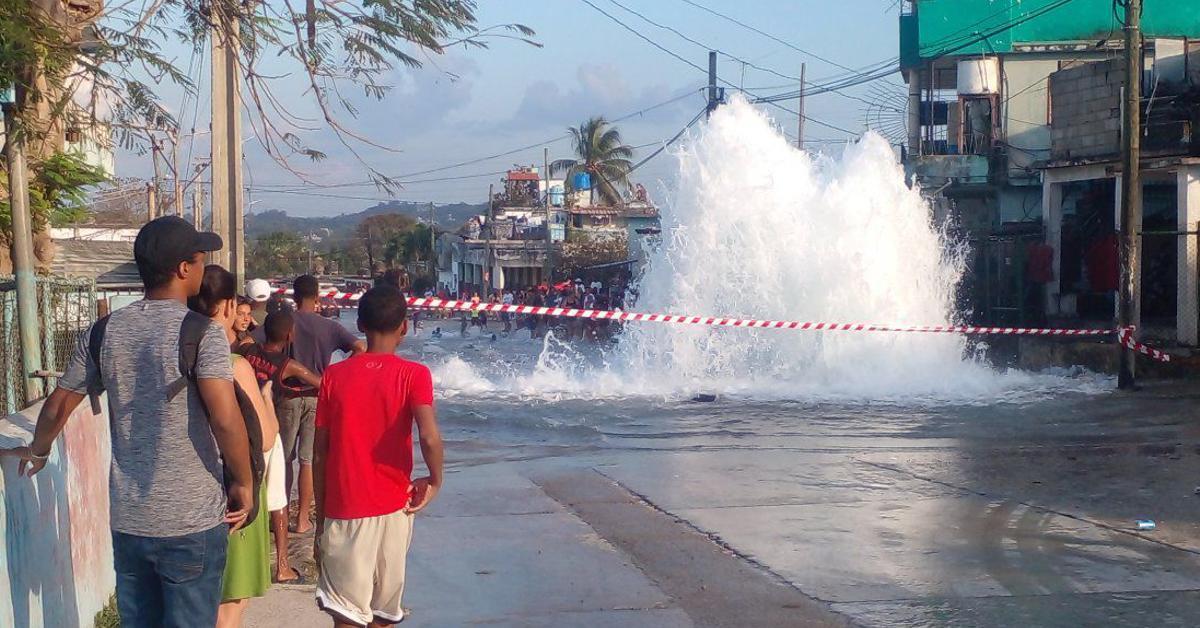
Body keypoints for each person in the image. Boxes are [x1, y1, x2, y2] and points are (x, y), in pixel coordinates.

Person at [11, 216, 252, 627]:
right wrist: (244, 482)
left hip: (131, 523)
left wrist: (38, 449)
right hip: (190, 523)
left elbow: (58, 404)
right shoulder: (201, 333)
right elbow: (226, 420)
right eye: (198, 258)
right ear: (183, 269)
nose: (201, 266)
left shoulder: (103, 332)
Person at [313, 285, 443, 628]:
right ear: (404, 327)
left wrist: (321, 518)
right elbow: (429, 437)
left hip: (345, 508)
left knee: (346, 615)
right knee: (383, 616)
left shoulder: (335, 377)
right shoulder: (414, 375)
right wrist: (435, 480)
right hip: (395, 507)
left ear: (360, 324)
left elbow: (319, 451)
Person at [189, 265, 278, 628]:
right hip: (236, 492)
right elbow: (267, 437)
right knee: (229, 606)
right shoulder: (235, 365)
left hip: (191, 492)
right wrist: (267, 395)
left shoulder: (182, 357)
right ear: (227, 307)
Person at [237, 310, 323, 583]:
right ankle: (282, 565)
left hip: (241, 430)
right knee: (278, 500)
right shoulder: (289, 366)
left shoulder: (246, 351)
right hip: (268, 430)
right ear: (289, 336)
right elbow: (321, 383)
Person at [279, 274, 365, 534]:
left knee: (284, 460)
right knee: (307, 460)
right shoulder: (328, 327)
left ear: (294, 298)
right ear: (317, 297)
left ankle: (280, 517)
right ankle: (303, 519)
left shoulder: (286, 322)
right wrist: (338, 374)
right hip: (317, 397)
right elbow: (360, 346)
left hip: (288, 397)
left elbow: (258, 343)